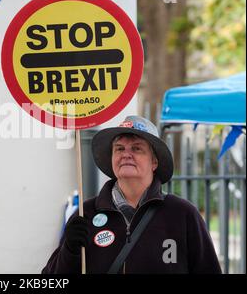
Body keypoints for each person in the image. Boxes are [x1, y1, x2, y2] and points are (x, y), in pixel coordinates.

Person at [42, 115, 222, 274]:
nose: (126, 154)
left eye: (136, 148)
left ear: (154, 162)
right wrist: (70, 250)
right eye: (119, 149)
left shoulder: (182, 214)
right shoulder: (85, 213)